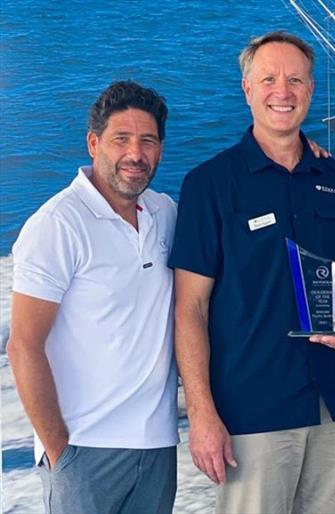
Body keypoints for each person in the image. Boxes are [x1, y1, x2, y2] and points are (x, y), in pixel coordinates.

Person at [169, 31, 335, 514]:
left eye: (295, 80)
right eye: (268, 79)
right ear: (247, 89)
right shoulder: (209, 184)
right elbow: (190, 308)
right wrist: (201, 414)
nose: (282, 92)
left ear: (310, 89)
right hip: (253, 413)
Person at [7, 81, 178, 514]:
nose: (135, 154)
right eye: (121, 139)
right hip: (85, 449)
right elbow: (24, 343)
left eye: (148, 141)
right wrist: (60, 451)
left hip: (158, 445)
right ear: (93, 142)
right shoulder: (58, 224)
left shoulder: (165, 213)